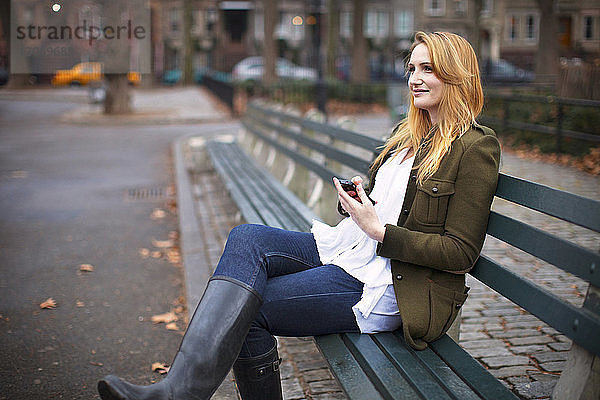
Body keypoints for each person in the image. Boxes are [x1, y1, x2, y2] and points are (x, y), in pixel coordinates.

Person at [98, 31, 501, 400]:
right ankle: (177, 390)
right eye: (412, 68)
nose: (415, 77)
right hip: (354, 250)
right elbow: (388, 209)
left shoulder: (474, 148)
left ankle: (177, 393)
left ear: (456, 75)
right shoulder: (407, 137)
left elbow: (460, 252)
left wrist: (381, 231)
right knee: (247, 237)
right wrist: (360, 201)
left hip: (392, 283)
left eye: (428, 69)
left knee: (249, 311)